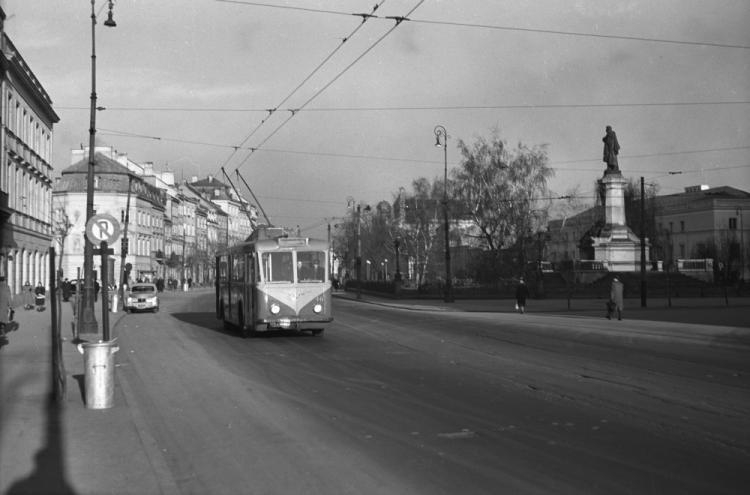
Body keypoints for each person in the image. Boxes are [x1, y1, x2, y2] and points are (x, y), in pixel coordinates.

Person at [0, 276, 12, 343]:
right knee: (3, 318)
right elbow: (9, 297)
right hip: (4, 305)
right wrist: (10, 305)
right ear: (4, 280)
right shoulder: (6, 287)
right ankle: (2, 329)